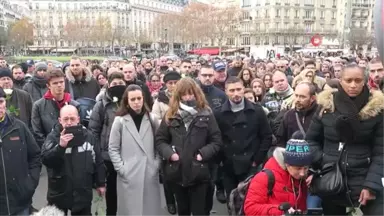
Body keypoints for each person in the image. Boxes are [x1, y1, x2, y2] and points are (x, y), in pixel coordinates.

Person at [306, 65, 384, 215]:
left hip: (364, 180)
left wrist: (370, 186)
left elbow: (381, 152)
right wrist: (323, 161)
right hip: (332, 182)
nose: (353, 85)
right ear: (340, 81)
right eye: (348, 80)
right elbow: (311, 140)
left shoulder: (378, 110)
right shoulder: (326, 106)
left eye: (357, 80)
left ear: (365, 81)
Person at [155, 77, 222, 216]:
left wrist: (202, 154)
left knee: (200, 211)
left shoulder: (206, 113)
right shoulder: (171, 115)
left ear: (196, 94)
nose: (187, 97)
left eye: (190, 94)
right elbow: (161, 140)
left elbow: (216, 141)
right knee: (183, 211)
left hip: (200, 171)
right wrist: (170, 154)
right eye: (184, 94)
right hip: (177, 171)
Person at [215, 77, 272, 204]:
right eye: (232, 90)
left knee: (251, 202)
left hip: (251, 165)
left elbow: (266, 136)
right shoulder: (218, 114)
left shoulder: (257, 111)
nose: (236, 93)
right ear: (226, 92)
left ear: (243, 89)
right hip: (229, 166)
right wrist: (222, 160)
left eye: (239, 89)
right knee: (233, 203)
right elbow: (216, 139)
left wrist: (256, 160)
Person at [41, 105, 106, 216]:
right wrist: (60, 147)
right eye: (66, 119)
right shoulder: (53, 137)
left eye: (72, 119)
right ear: (60, 120)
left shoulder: (89, 137)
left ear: (78, 119)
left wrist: (100, 183)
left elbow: (98, 162)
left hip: (83, 193)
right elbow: (46, 160)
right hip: (59, 193)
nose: (69, 122)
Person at [108, 84, 161, 216]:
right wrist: (121, 168)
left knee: (150, 209)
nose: (136, 102)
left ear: (143, 99)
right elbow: (113, 148)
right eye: (132, 99)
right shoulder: (119, 121)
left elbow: (159, 144)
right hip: (128, 174)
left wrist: (156, 165)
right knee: (130, 210)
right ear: (126, 101)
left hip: (149, 172)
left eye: (139, 98)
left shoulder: (152, 119)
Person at [88, 72, 126, 216]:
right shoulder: (101, 105)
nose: (118, 86)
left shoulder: (131, 101)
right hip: (107, 156)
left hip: (127, 154)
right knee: (111, 190)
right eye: (115, 84)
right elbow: (93, 130)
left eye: (120, 83)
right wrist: (98, 154)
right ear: (108, 85)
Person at [0, 87, 42, 216]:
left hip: (20, 202)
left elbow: (35, 156)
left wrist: (30, 184)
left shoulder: (19, 127)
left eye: (0, 101)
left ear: (5, 102)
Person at [244, 138, 311, 215]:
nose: (302, 173)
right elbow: (250, 208)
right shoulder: (264, 177)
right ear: (287, 164)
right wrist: (280, 212)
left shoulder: (300, 178)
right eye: (298, 168)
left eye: (305, 168)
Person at [31, 69, 80, 147]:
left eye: (61, 82)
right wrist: (51, 148)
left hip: (72, 149)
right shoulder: (38, 106)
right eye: (55, 83)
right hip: (49, 150)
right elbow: (37, 133)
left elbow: (79, 129)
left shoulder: (74, 105)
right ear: (48, 86)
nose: (59, 85)